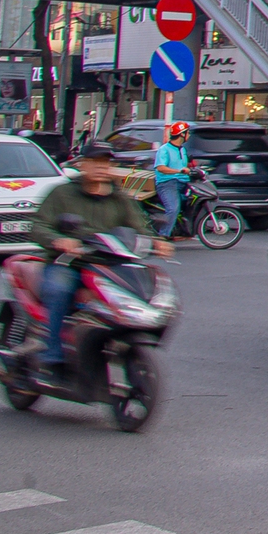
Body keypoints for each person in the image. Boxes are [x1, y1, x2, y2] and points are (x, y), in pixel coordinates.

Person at [27, 156, 166, 378]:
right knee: (60, 291)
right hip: (69, 264)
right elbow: (39, 226)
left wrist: (157, 242)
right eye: (96, 162)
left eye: (106, 163)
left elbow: (140, 227)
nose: (101, 167)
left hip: (109, 266)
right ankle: (52, 355)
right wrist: (58, 240)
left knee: (146, 292)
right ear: (83, 165)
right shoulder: (62, 194)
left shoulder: (120, 198)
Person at [150, 121, 192, 238]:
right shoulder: (164, 150)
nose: (189, 135)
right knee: (173, 209)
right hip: (167, 183)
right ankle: (163, 235)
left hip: (183, 182)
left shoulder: (182, 150)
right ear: (182, 134)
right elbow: (161, 168)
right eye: (188, 132)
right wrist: (179, 171)